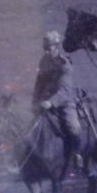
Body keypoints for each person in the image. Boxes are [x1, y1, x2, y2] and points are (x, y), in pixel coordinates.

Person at [32, 31, 83, 169]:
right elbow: (39, 83)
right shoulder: (43, 62)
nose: (47, 50)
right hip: (45, 102)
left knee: (72, 127)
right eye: (45, 48)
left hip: (64, 101)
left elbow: (65, 90)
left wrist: (51, 102)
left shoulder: (64, 64)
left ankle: (77, 154)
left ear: (56, 46)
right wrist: (35, 101)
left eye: (50, 47)